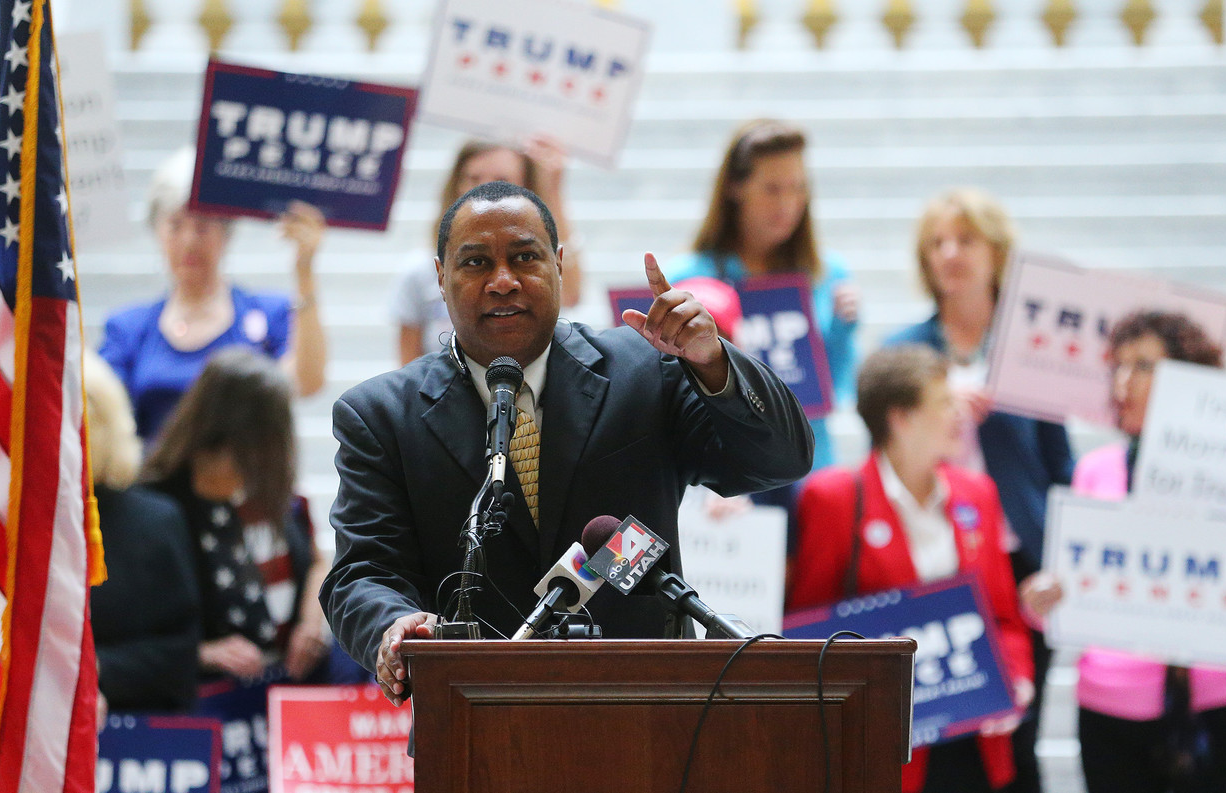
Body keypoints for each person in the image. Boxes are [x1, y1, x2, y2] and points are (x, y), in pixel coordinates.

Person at [320, 181, 815, 705]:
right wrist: (395, 625)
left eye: (524, 257)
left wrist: (714, 363)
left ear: (559, 264)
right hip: (479, 720)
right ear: (441, 279)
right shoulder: (381, 416)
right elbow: (361, 572)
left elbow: (780, 458)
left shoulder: (646, 368)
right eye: (476, 264)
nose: (503, 281)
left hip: (651, 712)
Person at [886, 188, 1073, 793]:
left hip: (1018, 564)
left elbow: (1059, 466)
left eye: (964, 240)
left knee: (1018, 730)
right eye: (937, 243)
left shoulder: (1032, 346)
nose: (949, 254)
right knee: (941, 738)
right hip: (934, 560)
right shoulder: (905, 353)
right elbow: (883, 459)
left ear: (996, 253)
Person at [788, 345, 1034, 793]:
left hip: (976, 734)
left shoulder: (977, 492)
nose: (959, 414)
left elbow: (1005, 617)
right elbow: (807, 629)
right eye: (943, 403)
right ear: (901, 418)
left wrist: (1017, 677)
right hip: (885, 745)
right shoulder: (835, 498)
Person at [1020, 310, 1226, 793]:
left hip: (1216, 699)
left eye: (1143, 366)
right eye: (1117, 366)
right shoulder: (1097, 469)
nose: (1123, 382)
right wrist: (1040, 602)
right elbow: (1068, 589)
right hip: (1111, 705)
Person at [666, 119, 859, 468]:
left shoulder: (828, 273)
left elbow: (837, 389)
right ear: (735, 188)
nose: (787, 203)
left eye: (798, 188)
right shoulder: (688, 278)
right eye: (772, 188)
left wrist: (843, 329)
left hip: (808, 461)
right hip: (723, 465)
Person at [100, 147, 328, 441]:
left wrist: (305, 271)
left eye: (203, 226)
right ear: (157, 232)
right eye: (175, 225)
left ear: (227, 233)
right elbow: (102, 415)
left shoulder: (269, 313)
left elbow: (307, 382)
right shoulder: (127, 327)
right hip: (149, 483)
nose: (189, 241)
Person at [141, 348, 334, 683]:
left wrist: (309, 621)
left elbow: (318, 561)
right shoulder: (156, 506)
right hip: (210, 698)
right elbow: (133, 626)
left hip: (290, 682)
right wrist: (203, 653)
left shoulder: (275, 489)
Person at [390, 135, 583, 365]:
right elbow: (408, 367)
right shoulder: (418, 270)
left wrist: (552, 192)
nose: (485, 189)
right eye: (473, 178)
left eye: (502, 179)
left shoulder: (546, 259)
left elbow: (570, 294)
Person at [83, 351, 202, 712]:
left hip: (139, 730)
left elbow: (180, 654)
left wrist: (92, 670)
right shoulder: (9, 525)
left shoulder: (155, 521)